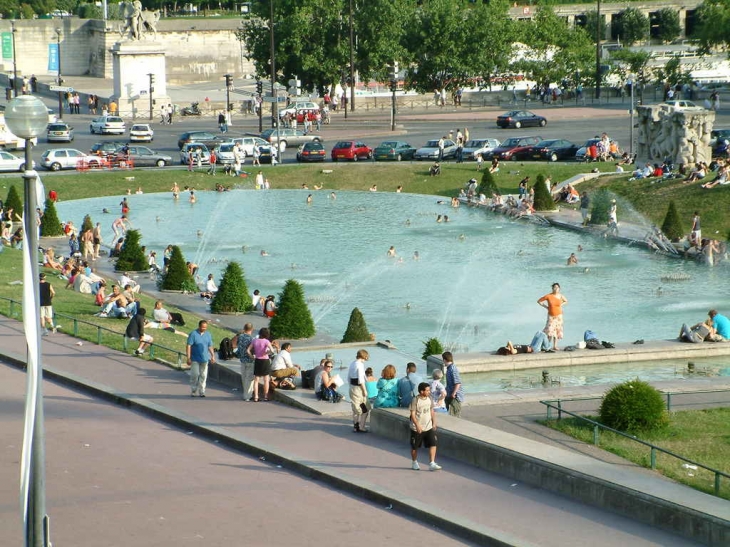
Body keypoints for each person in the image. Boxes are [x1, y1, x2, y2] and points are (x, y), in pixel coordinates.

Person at [409, 382, 441, 471]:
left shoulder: (429, 398)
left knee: (433, 443)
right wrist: (417, 425)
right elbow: (412, 414)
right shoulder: (415, 400)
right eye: (427, 390)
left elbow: (432, 411)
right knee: (415, 447)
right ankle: (414, 462)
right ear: (421, 391)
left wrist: (434, 422)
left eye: (429, 390)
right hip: (417, 428)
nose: (429, 392)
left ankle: (432, 463)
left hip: (428, 426)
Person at [186, 320, 216, 397]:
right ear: (199, 326)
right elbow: (189, 345)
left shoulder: (208, 334)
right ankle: (193, 390)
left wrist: (212, 355)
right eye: (202, 327)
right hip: (195, 358)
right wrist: (188, 357)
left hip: (204, 358)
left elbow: (210, 345)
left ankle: (202, 391)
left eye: (205, 327)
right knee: (195, 374)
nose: (204, 329)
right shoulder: (193, 334)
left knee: (203, 375)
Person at [246, 327, 275, 402]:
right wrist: (266, 353)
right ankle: (265, 396)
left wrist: (252, 357)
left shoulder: (254, 340)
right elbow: (272, 351)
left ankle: (256, 396)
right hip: (265, 361)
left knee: (256, 380)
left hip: (257, 360)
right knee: (266, 379)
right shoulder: (266, 341)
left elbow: (248, 350)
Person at [538, 283, 568, 351]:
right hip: (551, 316)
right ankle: (547, 345)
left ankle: (555, 346)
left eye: (557, 287)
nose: (556, 289)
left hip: (559, 316)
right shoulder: (549, 296)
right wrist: (546, 307)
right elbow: (539, 301)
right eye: (554, 287)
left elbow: (566, 301)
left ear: (559, 288)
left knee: (557, 330)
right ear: (552, 288)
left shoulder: (560, 296)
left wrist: (561, 305)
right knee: (550, 331)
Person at [347, 349, 371, 432]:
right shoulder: (360, 365)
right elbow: (361, 380)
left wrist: (351, 386)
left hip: (352, 388)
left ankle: (355, 426)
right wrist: (364, 390)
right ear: (365, 356)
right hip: (359, 389)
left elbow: (348, 378)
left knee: (355, 409)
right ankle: (362, 427)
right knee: (365, 409)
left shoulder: (352, 363)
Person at [237, 323, 255, 401]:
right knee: (249, 378)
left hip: (242, 360)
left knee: (244, 377)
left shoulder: (240, 337)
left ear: (244, 328)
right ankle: (247, 395)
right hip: (250, 360)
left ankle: (245, 393)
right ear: (252, 329)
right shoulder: (252, 339)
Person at [442, 351, 464, 417]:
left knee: (454, 416)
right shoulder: (449, 368)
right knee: (450, 414)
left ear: (444, 360)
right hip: (450, 395)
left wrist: (453, 394)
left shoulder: (452, 369)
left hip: (455, 397)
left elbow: (458, 383)